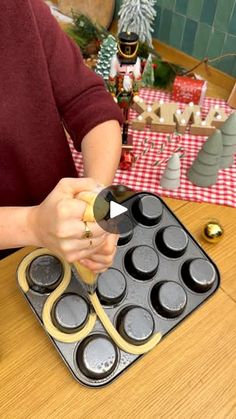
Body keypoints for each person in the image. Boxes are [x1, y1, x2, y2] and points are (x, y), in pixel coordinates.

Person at [0, 0, 124, 273]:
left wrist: (95, 201)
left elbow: (88, 101)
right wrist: (32, 225)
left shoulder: (21, 9)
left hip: (64, 228)